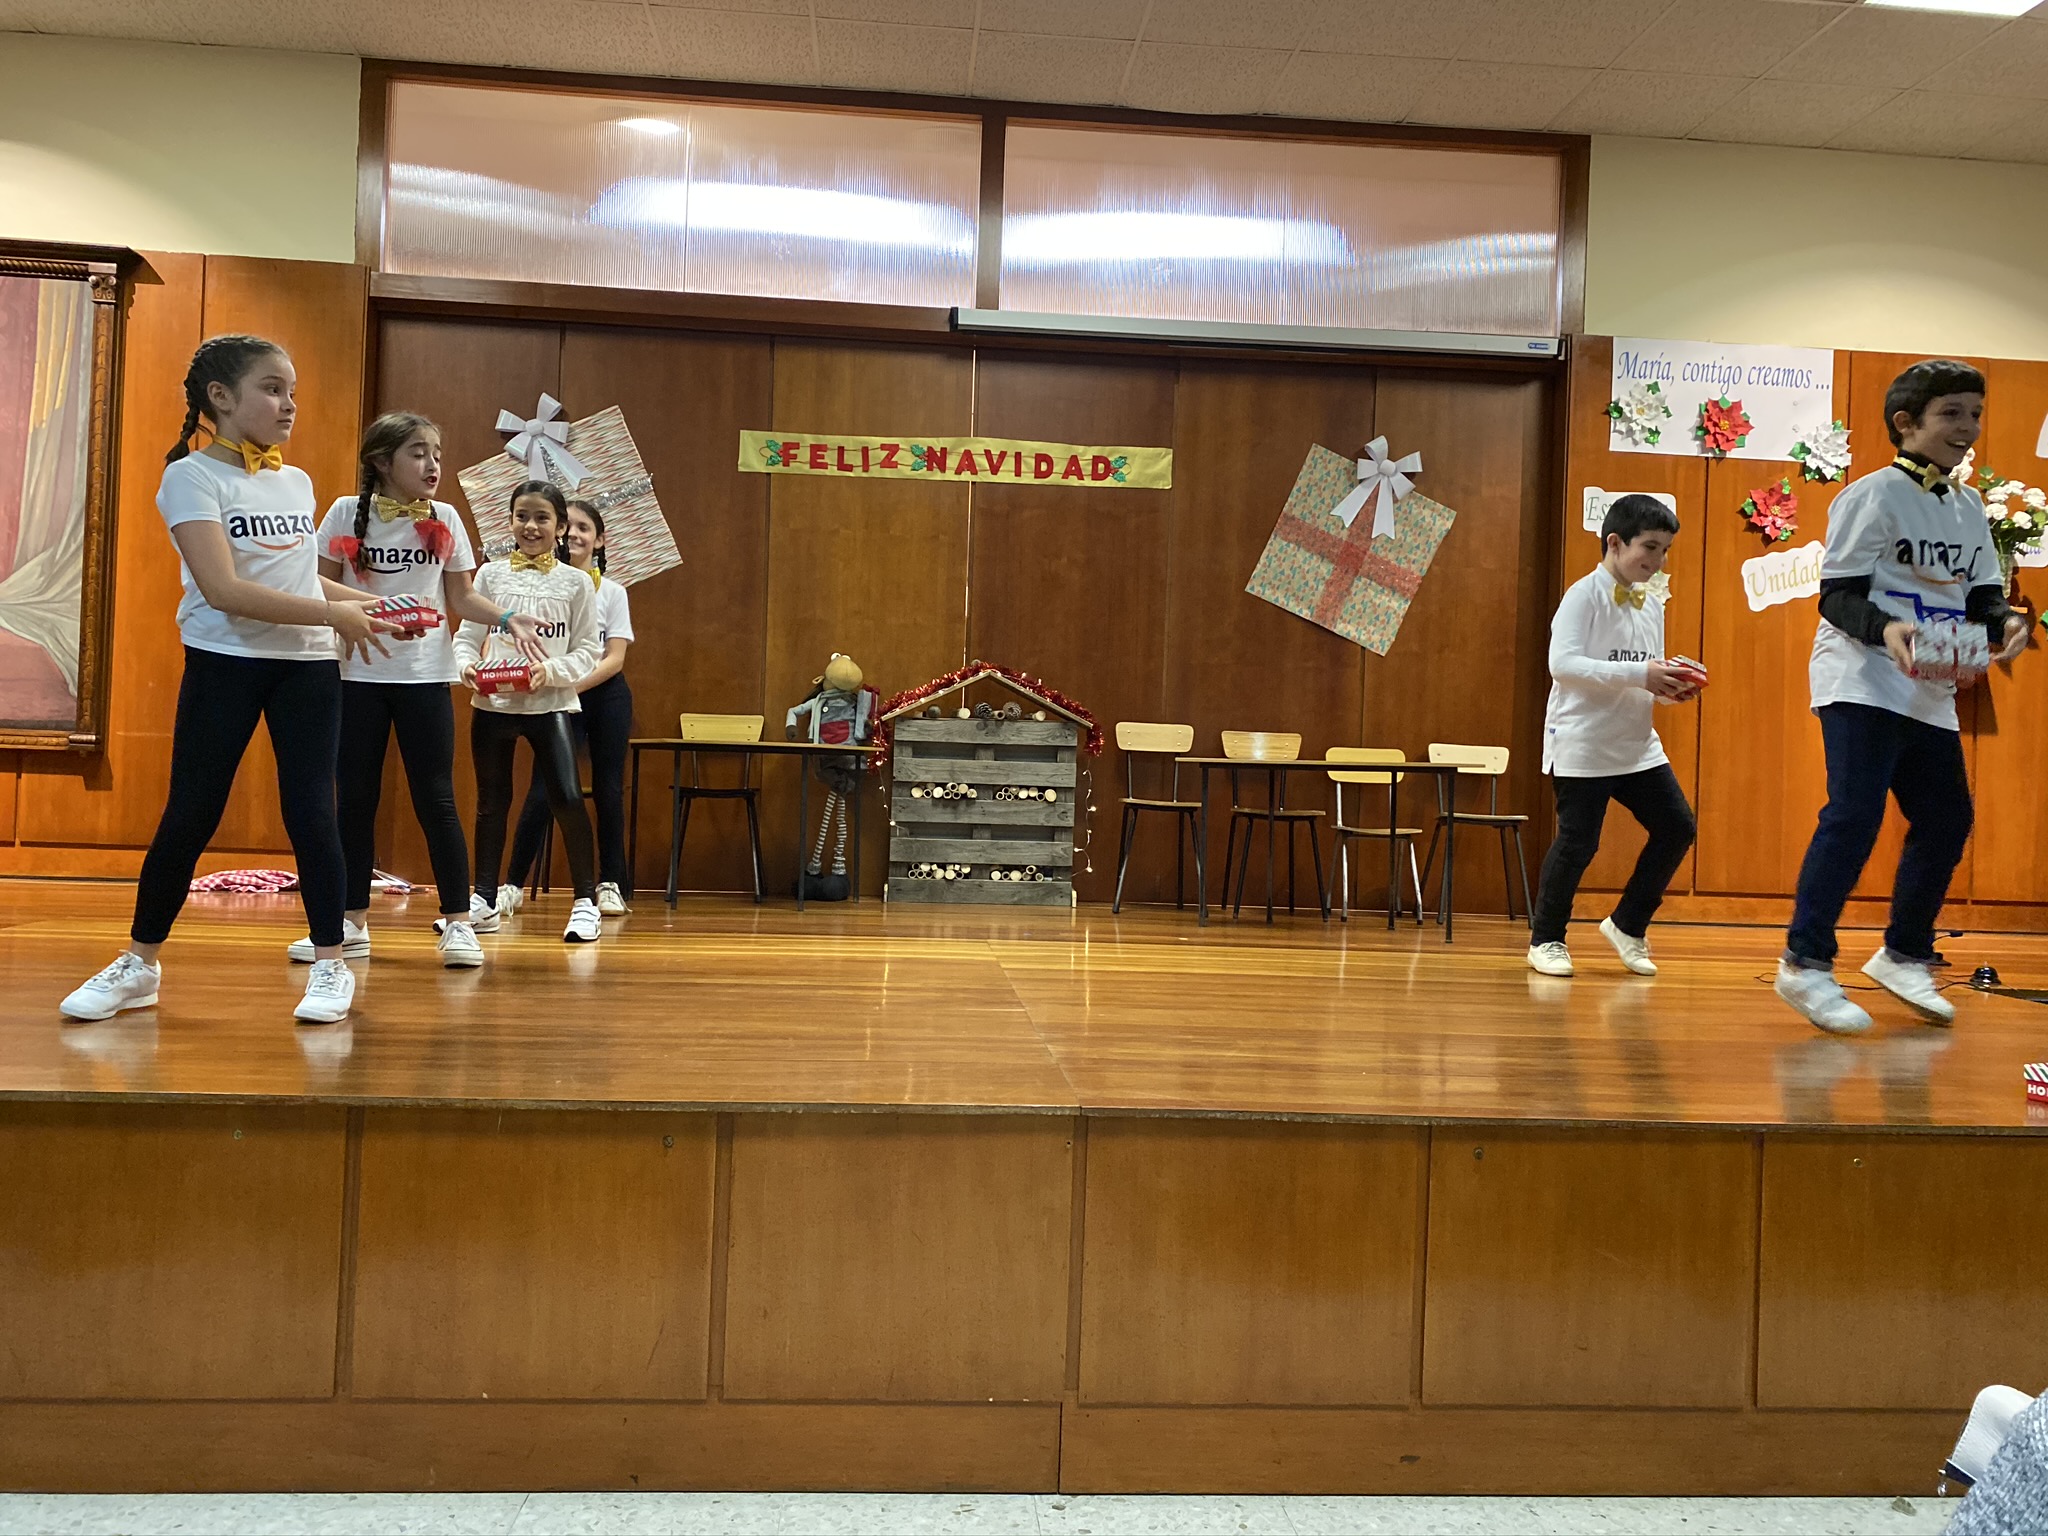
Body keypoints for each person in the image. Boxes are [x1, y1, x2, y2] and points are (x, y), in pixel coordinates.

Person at [60, 334, 398, 1025]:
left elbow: (301, 582)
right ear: (220, 396)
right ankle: (140, 965)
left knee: (313, 813)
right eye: (272, 389)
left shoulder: (295, 481)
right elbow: (224, 591)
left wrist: (371, 608)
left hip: (306, 666)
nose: (289, 404)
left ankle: (331, 965)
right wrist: (335, 615)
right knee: (192, 811)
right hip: (225, 661)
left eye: (292, 392)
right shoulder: (190, 478)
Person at [1776, 360, 2030, 1035]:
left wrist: (2004, 623)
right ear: (1906, 422)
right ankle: (1805, 962)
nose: (1968, 427)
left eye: (1975, 414)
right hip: (1860, 677)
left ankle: (1904, 954)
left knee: (1947, 819)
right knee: (1854, 815)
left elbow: (1982, 595)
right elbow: (1837, 594)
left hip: (1930, 687)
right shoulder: (1871, 495)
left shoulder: (1969, 506)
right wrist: (1884, 629)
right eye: (1952, 413)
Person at [284, 413, 546, 969]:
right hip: (355, 676)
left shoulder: (445, 516)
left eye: (436, 454)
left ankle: (458, 923)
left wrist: (507, 618)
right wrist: (378, 608)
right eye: (419, 453)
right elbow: (313, 582)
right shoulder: (343, 512)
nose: (433, 465)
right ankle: (350, 922)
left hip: (424, 677)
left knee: (437, 799)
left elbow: (461, 598)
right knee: (355, 802)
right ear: (381, 461)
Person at [1527, 494, 1700, 978]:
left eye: (1665, 550)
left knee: (1677, 827)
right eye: (1650, 547)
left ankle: (1627, 925)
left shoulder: (1652, 604)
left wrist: (1670, 689)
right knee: (1579, 843)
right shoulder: (1582, 596)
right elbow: (1563, 665)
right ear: (1615, 542)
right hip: (1583, 742)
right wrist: (1643, 675)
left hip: (1636, 744)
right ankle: (1546, 939)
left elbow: (1645, 674)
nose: (1658, 560)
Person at [453, 481, 604, 942]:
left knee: (568, 798)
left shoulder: (577, 582)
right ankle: (483, 899)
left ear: (560, 527)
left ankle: (586, 902)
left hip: (549, 704)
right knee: (491, 802)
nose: (531, 526)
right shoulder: (489, 576)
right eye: (522, 516)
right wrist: (467, 667)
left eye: (542, 518)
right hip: (493, 703)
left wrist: (550, 672)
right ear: (510, 520)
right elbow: (465, 637)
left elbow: (588, 651)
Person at [498, 499, 634, 917]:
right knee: (544, 790)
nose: (574, 534)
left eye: (584, 528)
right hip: (556, 695)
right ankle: (511, 885)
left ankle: (610, 884)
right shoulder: (545, 588)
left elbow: (614, 658)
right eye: (568, 526)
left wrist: (569, 683)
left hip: (603, 695)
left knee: (608, 790)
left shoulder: (613, 592)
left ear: (599, 540)